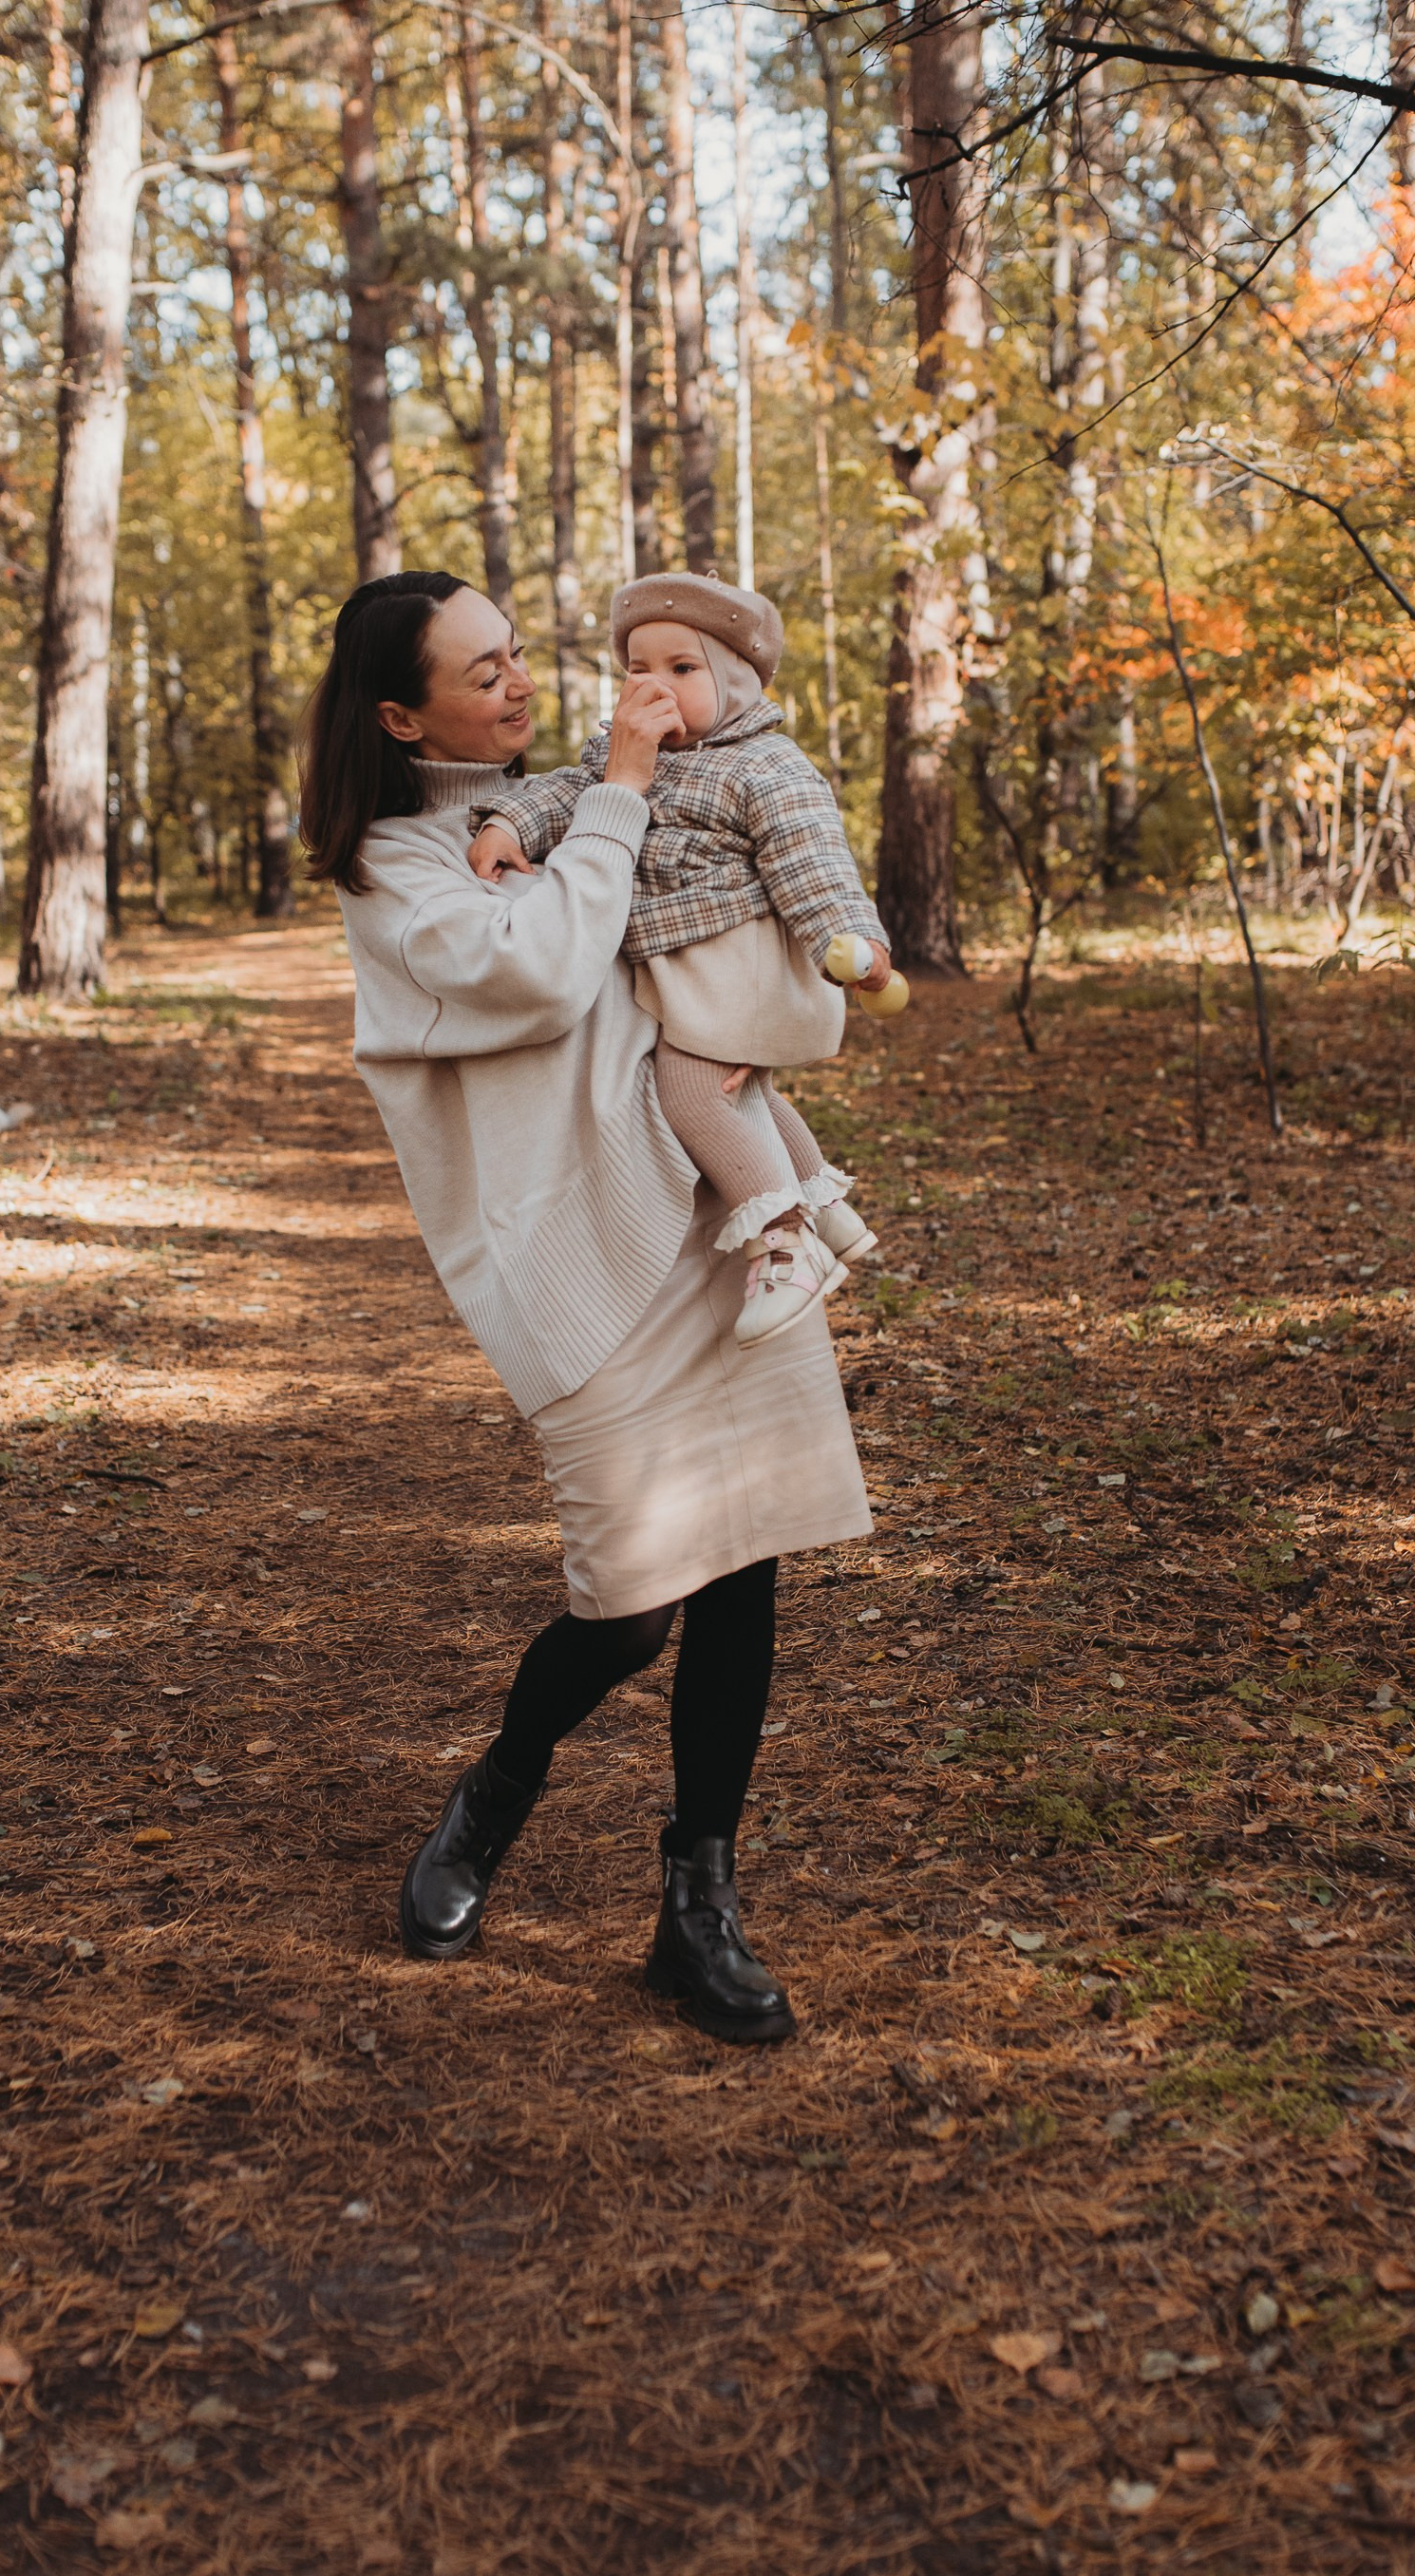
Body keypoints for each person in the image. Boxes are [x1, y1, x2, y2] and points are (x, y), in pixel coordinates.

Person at [300, 570, 874, 2046]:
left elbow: (723, 899)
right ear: (397, 710)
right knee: (624, 1605)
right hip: (575, 1258)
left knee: (749, 1564)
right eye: (478, 672)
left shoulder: (589, 790)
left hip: (703, 1217)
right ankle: (494, 1796)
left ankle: (697, 1904)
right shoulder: (395, 865)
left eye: (514, 657)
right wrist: (615, 788)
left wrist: (762, 1016)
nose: (515, 686)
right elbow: (549, 968)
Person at [467, 573, 894, 1347]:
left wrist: (856, 943)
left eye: (681, 668)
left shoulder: (764, 767)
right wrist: (510, 822)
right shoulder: (626, 750)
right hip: (683, 963)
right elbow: (570, 792)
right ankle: (825, 1207)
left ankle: (786, 1246)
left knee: (690, 1096)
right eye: (637, 668)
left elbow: (814, 865)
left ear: (731, 678)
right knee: (738, 1097)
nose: (653, 686)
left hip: (740, 962)